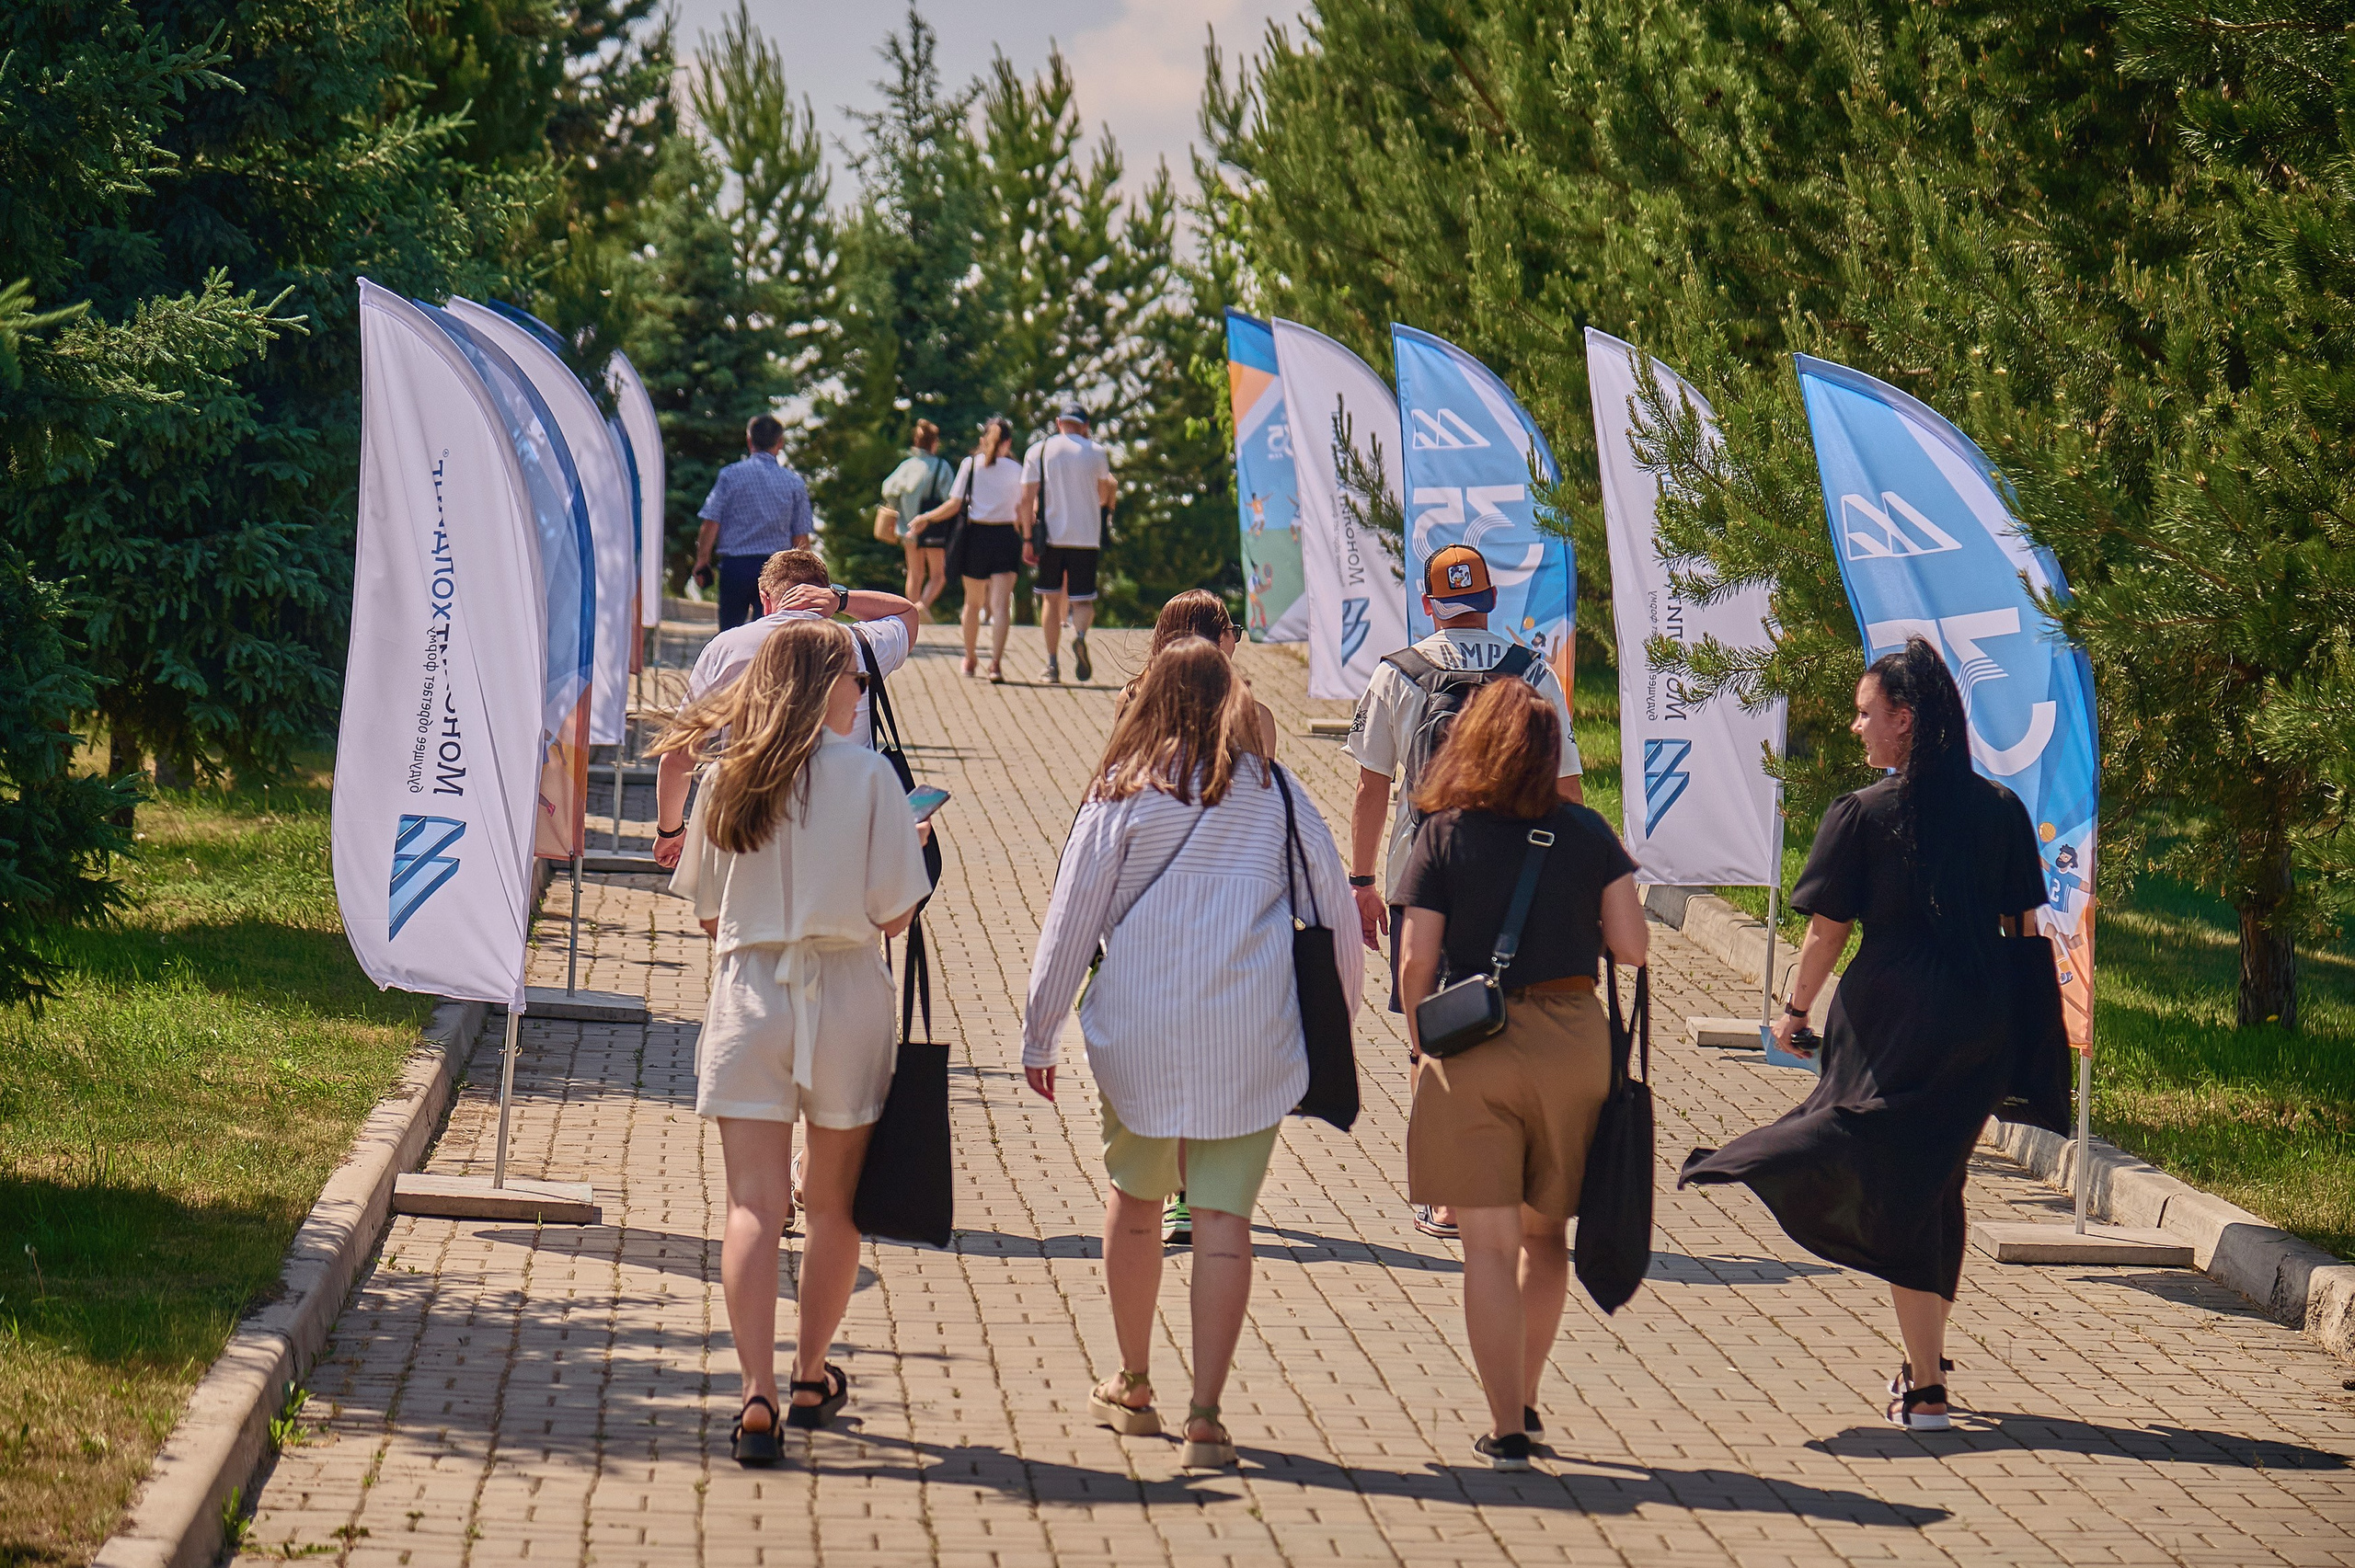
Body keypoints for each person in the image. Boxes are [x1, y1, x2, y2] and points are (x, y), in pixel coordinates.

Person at [1681, 637, 2049, 1433]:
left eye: (1864, 712)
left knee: (1897, 1183)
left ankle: (1924, 1388)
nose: (1856, 728)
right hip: (1980, 1027)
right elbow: (2024, 926)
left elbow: (1825, 933)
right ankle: (1928, 1359)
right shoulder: (2002, 810)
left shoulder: (1863, 814)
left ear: (1905, 719)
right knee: (1937, 1179)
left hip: (1891, 1023)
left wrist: (1792, 1012)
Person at [1023, 638, 1360, 1469]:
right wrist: (1336, 1024)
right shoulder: (1277, 791)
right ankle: (1207, 1414)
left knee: (1135, 1199)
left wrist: (1041, 1030)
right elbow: (1335, 920)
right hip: (1252, 1033)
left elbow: (1071, 918)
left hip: (1138, 1026)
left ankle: (1134, 1382)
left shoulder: (1121, 791)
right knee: (1223, 1222)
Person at [655, 621, 933, 1458]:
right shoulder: (871, 777)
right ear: (823, 686)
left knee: (750, 1204)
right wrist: (909, 845)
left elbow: (706, 911)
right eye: (852, 675)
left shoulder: (728, 777)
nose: (860, 689)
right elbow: (894, 911)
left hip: (749, 992)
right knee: (833, 1206)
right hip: (846, 989)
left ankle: (755, 1394)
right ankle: (811, 1370)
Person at [1395, 678, 1648, 1471]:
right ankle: (1531, 1396)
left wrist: (1420, 1047)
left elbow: (1415, 961)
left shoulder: (1443, 835)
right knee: (1547, 1241)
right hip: (1575, 1045)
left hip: (1472, 1042)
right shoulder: (1587, 833)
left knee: (1487, 1249)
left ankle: (1504, 1423)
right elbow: (1633, 946)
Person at [1345, 544, 1583, 1239]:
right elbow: (1567, 790)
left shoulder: (1399, 673)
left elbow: (1370, 787)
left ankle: (1445, 1196)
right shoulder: (1532, 672)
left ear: (1428, 605)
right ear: (1489, 601)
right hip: (1518, 883)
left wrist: (1362, 880)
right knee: (1509, 1029)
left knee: (1431, 1035)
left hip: (1422, 877)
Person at [1112, 589, 1281, 1245]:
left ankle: (1169, 1191)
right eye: (1233, 629)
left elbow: (1115, 790)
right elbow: (1269, 805)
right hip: (1232, 908)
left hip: (1153, 907)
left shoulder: (1132, 700)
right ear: (1221, 640)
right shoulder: (1255, 715)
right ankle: (1197, 1194)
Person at [652, 551, 920, 872]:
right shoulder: (859, 644)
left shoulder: (728, 647)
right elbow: (907, 613)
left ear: (765, 599)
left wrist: (670, 830)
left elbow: (680, 753)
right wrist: (841, 599)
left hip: (750, 824)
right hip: (843, 828)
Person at [910, 416, 1025, 682]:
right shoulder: (1016, 470)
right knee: (1000, 605)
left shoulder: (970, 465)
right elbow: (1023, 510)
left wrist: (926, 517)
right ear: (1008, 442)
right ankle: (995, 664)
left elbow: (953, 504)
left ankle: (970, 659)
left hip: (975, 537)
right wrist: (1028, 538)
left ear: (983, 439)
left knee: (972, 604)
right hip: (1006, 537)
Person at [1018, 402, 1115, 685]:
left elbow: (1026, 499)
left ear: (1059, 422)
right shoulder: (1096, 453)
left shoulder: (1040, 450)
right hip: (1086, 536)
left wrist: (1027, 537)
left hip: (1052, 537)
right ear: (1084, 425)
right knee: (1083, 599)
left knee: (1050, 597)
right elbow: (1103, 493)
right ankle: (1080, 636)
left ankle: (1051, 664)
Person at [691, 414, 816, 631]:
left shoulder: (729, 476)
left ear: (749, 441)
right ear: (780, 443)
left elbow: (711, 522)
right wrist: (805, 577)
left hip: (735, 567)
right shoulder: (794, 484)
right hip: (776, 571)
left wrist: (702, 560)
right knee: (768, 635)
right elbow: (800, 537)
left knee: (729, 634)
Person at [880, 420, 957, 622]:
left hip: (907, 528)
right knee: (938, 575)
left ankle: (910, 614)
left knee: (914, 573)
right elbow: (950, 497)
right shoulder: (941, 467)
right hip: (933, 527)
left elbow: (888, 489)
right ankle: (922, 606)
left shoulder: (906, 466)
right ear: (934, 442)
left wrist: (901, 507)